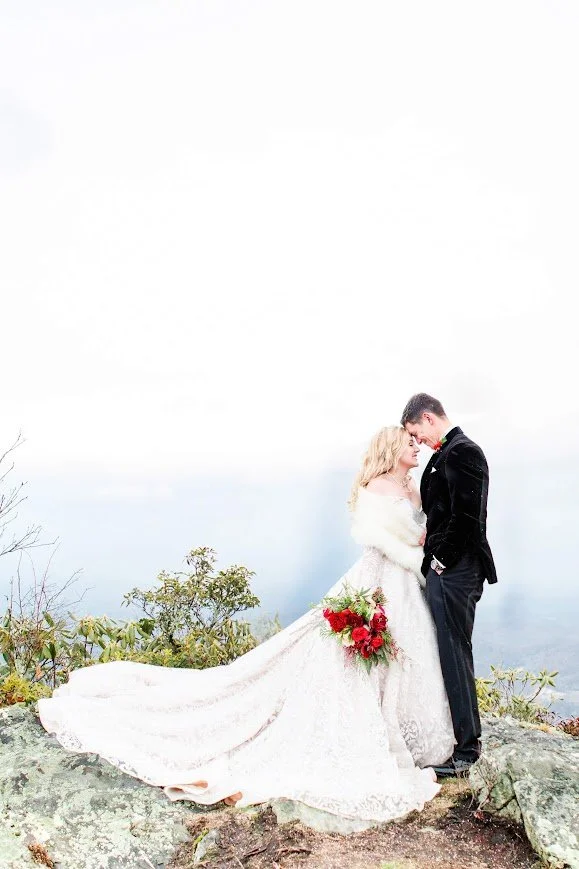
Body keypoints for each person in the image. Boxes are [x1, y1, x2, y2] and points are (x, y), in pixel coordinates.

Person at [39, 426, 455, 824]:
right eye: (409, 443)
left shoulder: (409, 486)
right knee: (361, 658)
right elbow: (387, 535)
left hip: (405, 581)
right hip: (384, 575)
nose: (415, 448)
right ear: (390, 448)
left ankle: (400, 728)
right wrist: (418, 542)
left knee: (403, 655)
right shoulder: (381, 485)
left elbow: (424, 522)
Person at [401, 394, 497, 777]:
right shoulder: (447, 454)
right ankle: (462, 740)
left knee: (455, 652)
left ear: (427, 417)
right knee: (449, 651)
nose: (418, 441)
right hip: (448, 568)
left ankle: (467, 751)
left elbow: (467, 518)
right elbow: (442, 512)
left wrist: (440, 561)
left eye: (415, 433)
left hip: (457, 569)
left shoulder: (463, 452)